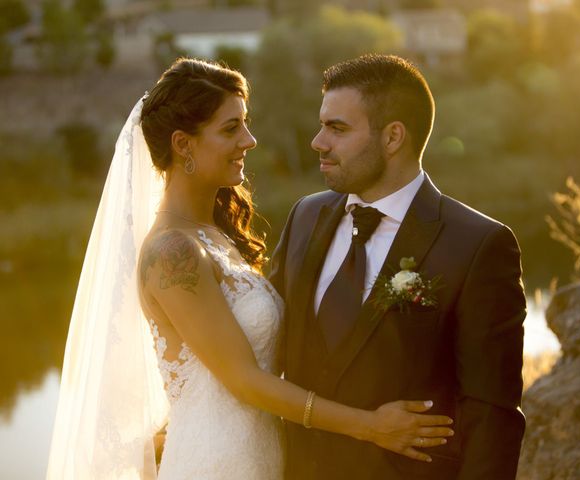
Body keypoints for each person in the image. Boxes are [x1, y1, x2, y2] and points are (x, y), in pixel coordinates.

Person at [46, 58, 455, 480]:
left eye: (245, 123)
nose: (250, 140)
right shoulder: (172, 251)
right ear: (183, 144)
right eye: (230, 129)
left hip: (260, 456)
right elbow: (242, 379)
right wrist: (368, 426)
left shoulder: (215, 236)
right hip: (218, 463)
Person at [269, 54, 527, 479]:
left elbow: (492, 418)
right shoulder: (305, 217)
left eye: (337, 128)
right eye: (322, 125)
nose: (318, 141)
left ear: (393, 138)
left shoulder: (478, 245)